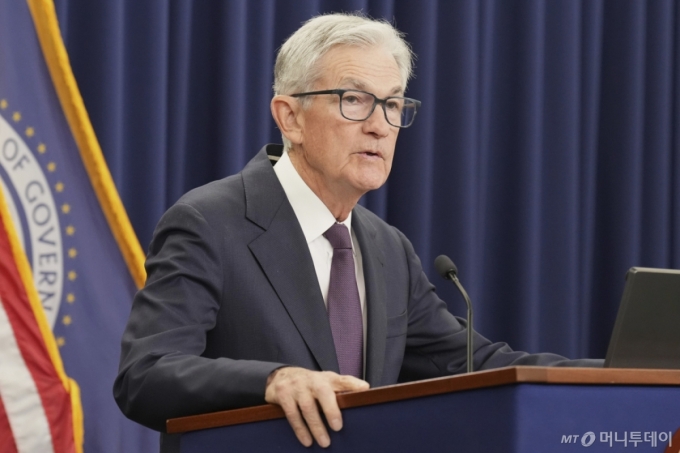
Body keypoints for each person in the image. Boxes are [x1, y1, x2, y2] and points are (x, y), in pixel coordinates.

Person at [114, 13, 601, 452]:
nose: (380, 126)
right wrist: (273, 381)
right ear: (290, 116)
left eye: (393, 104)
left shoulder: (388, 248)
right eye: (354, 100)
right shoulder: (209, 222)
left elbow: (475, 363)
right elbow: (145, 375)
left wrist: (622, 374)